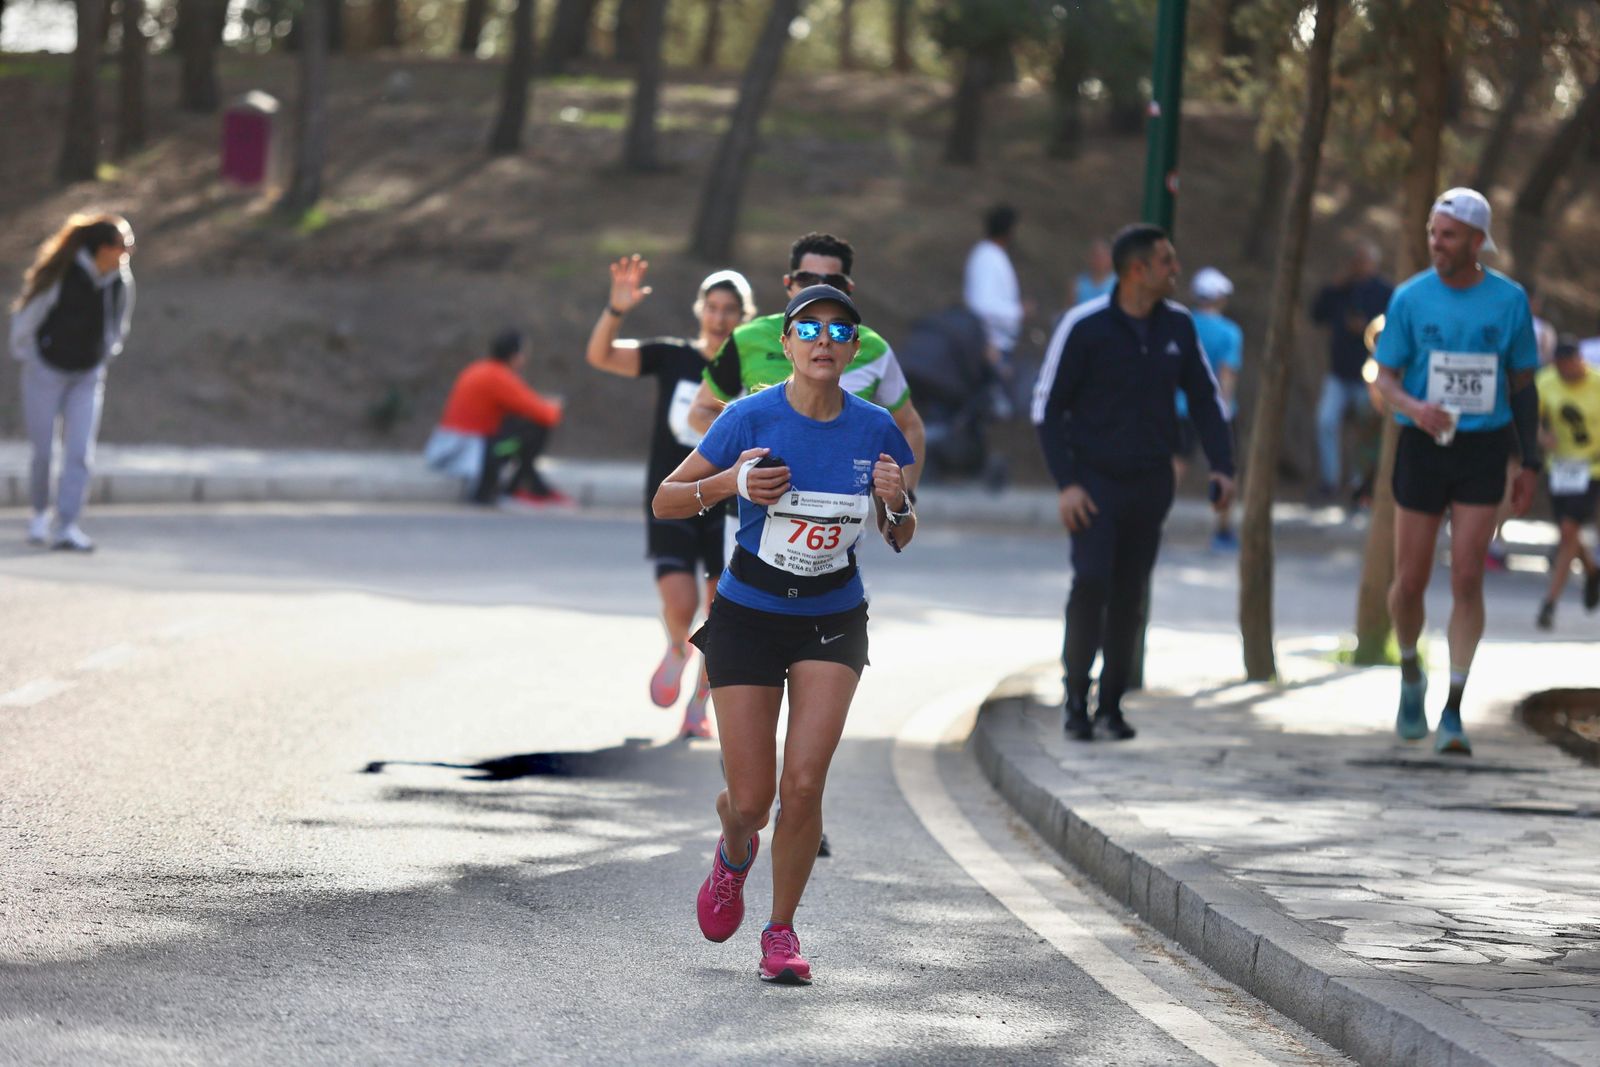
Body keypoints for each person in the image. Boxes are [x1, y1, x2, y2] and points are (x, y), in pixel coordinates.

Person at [653, 285, 916, 985]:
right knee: (753, 799)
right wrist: (733, 483)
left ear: (854, 349)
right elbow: (666, 498)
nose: (824, 338)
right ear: (789, 342)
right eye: (810, 328)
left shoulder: (874, 428)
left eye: (839, 329)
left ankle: (781, 931)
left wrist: (896, 500)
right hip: (748, 615)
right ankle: (734, 847)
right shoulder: (749, 416)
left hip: (832, 618)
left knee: (802, 786)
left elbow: (900, 531)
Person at [1033, 223, 1236, 743]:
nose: (1177, 269)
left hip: (1151, 481)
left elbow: (1207, 400)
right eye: (1167, 261)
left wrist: (1222, 466)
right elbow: (1047, 407)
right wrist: (1067, 483)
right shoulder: (1085, 326)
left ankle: (1112, 704)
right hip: (1093, 483)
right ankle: (1075, 698)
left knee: (1130, 593)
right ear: (1136, 271)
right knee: (1092, 583)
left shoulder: (1179, 327)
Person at [1374, 188, 1542, 757]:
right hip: (1423, 446)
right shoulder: (1410, 298)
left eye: (1446, 235)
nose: (1435, 243)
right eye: (1431, 232)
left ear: (1476, 241)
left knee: (1468, 575)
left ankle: (1453, 708)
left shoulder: (1509, 301)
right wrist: (1414, 407)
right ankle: (1409, 672)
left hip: (1483, 448)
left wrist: (1529, 461)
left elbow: (1522, 385)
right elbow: (1385, 379)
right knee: (1410, 582)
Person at [584, 256, 757, 737]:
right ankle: (678, 647)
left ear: (744, 316)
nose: (720, 317)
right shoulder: (673, 356)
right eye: (713, 307)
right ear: (700, 309)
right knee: (681, 603)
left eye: (730, 309)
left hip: (728, 502)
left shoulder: (753, 369)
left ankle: (699, 706)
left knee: (719, 611)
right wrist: (616, 310)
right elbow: (601, 356)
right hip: (673, 493)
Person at [686, 232, 925, 487]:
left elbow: (910, 425)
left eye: (832, 280)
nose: (818, 287)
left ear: (848, 288)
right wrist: (755, 455)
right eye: (807, 278)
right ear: (789, 283)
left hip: (841, 511)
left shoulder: (874, 348)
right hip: (753, 504)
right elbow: (700, 411)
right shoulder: (748, 338)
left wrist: (904, 496)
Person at [9, 212, 136, 552]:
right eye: (123, 246)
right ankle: (39, 514)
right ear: (103, 248)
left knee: (79, 452)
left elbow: (118, 323)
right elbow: (29, 315)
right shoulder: (63, 273)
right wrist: (29, 356)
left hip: (87, 374)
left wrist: (105, 354)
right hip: (45, 370)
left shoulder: (120, 280)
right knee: (44, 450)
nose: (128, 253)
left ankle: (67, 526)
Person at [424, 330, 566, 506]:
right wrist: (555, 406)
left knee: (517, 428)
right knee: (535, 430)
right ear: (515, 355)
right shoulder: (499, 377)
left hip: (454, 442)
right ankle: (514, 488)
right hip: (472, 449)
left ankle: (526, 484)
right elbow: (546, 415)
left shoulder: (478, 368)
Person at [1312, 240, 1392, 503]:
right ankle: (1330, 482)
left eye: (1364, 261)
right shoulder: (1341, 289)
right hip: (1338, 373)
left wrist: (1366, 327)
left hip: (1368, 375)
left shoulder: (1384, 292)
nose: (1359, 266)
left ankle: (1362, 485)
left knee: (1367, 432)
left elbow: (1390, 330)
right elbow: (1317, 314)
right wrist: (1334, 287)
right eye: (1356, 261)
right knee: (1326, 421)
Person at [1534, 336, 1600, 630]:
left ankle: (1550, 602)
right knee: (1567, 531)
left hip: (1593, 468)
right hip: (1560, 467)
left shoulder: (1597, 383)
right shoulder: (1545, 381)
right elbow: (1531, 419)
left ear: (1580, 362)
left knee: (1569, 530)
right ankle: (1592, 571)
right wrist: (1542, 436)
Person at [1176, 266, 1243, 551]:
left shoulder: (1182, 325)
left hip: (1180, 406)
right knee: (1222, 471)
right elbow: (1227, 374)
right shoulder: (1229, 332)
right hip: (1215, 408)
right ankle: (1223, 530)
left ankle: (1150, 520)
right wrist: (1223, 410)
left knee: (1175, 465)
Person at [963, 204, 1024, 401]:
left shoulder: (991, 255)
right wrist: (1018, 311)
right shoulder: (987, 257)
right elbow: (980, 304)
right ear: (1008, 231)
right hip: (990, 346)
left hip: (996, 343)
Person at [1072, 238, 1115, 306]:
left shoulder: (1119, 283)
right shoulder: (1077, 285)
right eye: (1095, 256)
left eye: (1103, 256)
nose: (1099, 260)